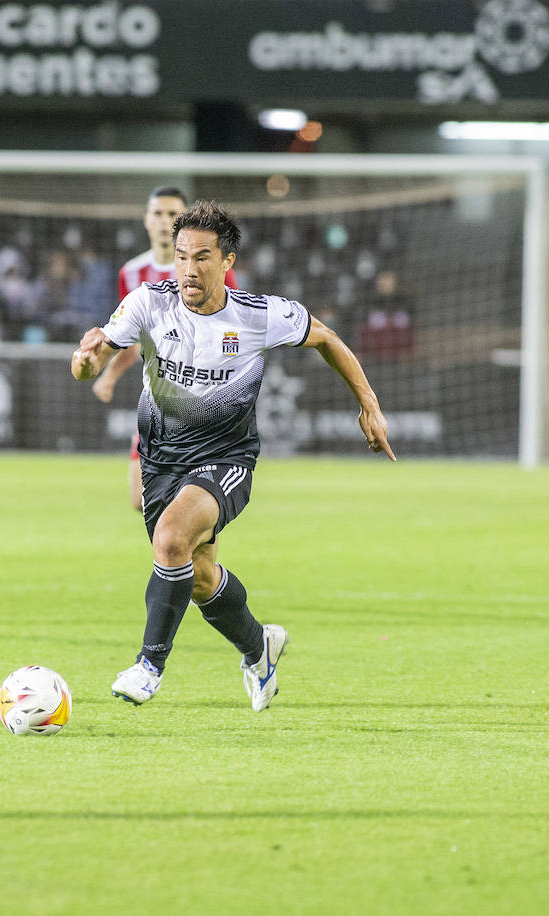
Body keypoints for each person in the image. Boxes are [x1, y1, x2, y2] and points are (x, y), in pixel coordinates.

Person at [72, 200, 394, 711]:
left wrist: (369, 405)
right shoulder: (147, 303)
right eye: (181, 257)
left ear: (227, 262)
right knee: (197, 577)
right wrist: (84, 361)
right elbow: (91, 365)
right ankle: (258, 647)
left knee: (171, 538)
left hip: (225, 457)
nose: (188, 269)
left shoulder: (259, 315)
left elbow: (327, 339)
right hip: (160, 460)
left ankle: (148, 665)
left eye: (202, 257)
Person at [92, 187, 238, 511]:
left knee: (188, 512)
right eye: (158, 213)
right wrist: (110, 375)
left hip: (202, 400)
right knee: (141, 500)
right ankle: (183, 560)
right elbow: (131, 338)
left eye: (173, 214)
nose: (164, 221)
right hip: (157, 398)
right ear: (146, 220)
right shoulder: (131, 274)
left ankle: (187, 559)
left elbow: (234, 328)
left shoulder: (212, 268)